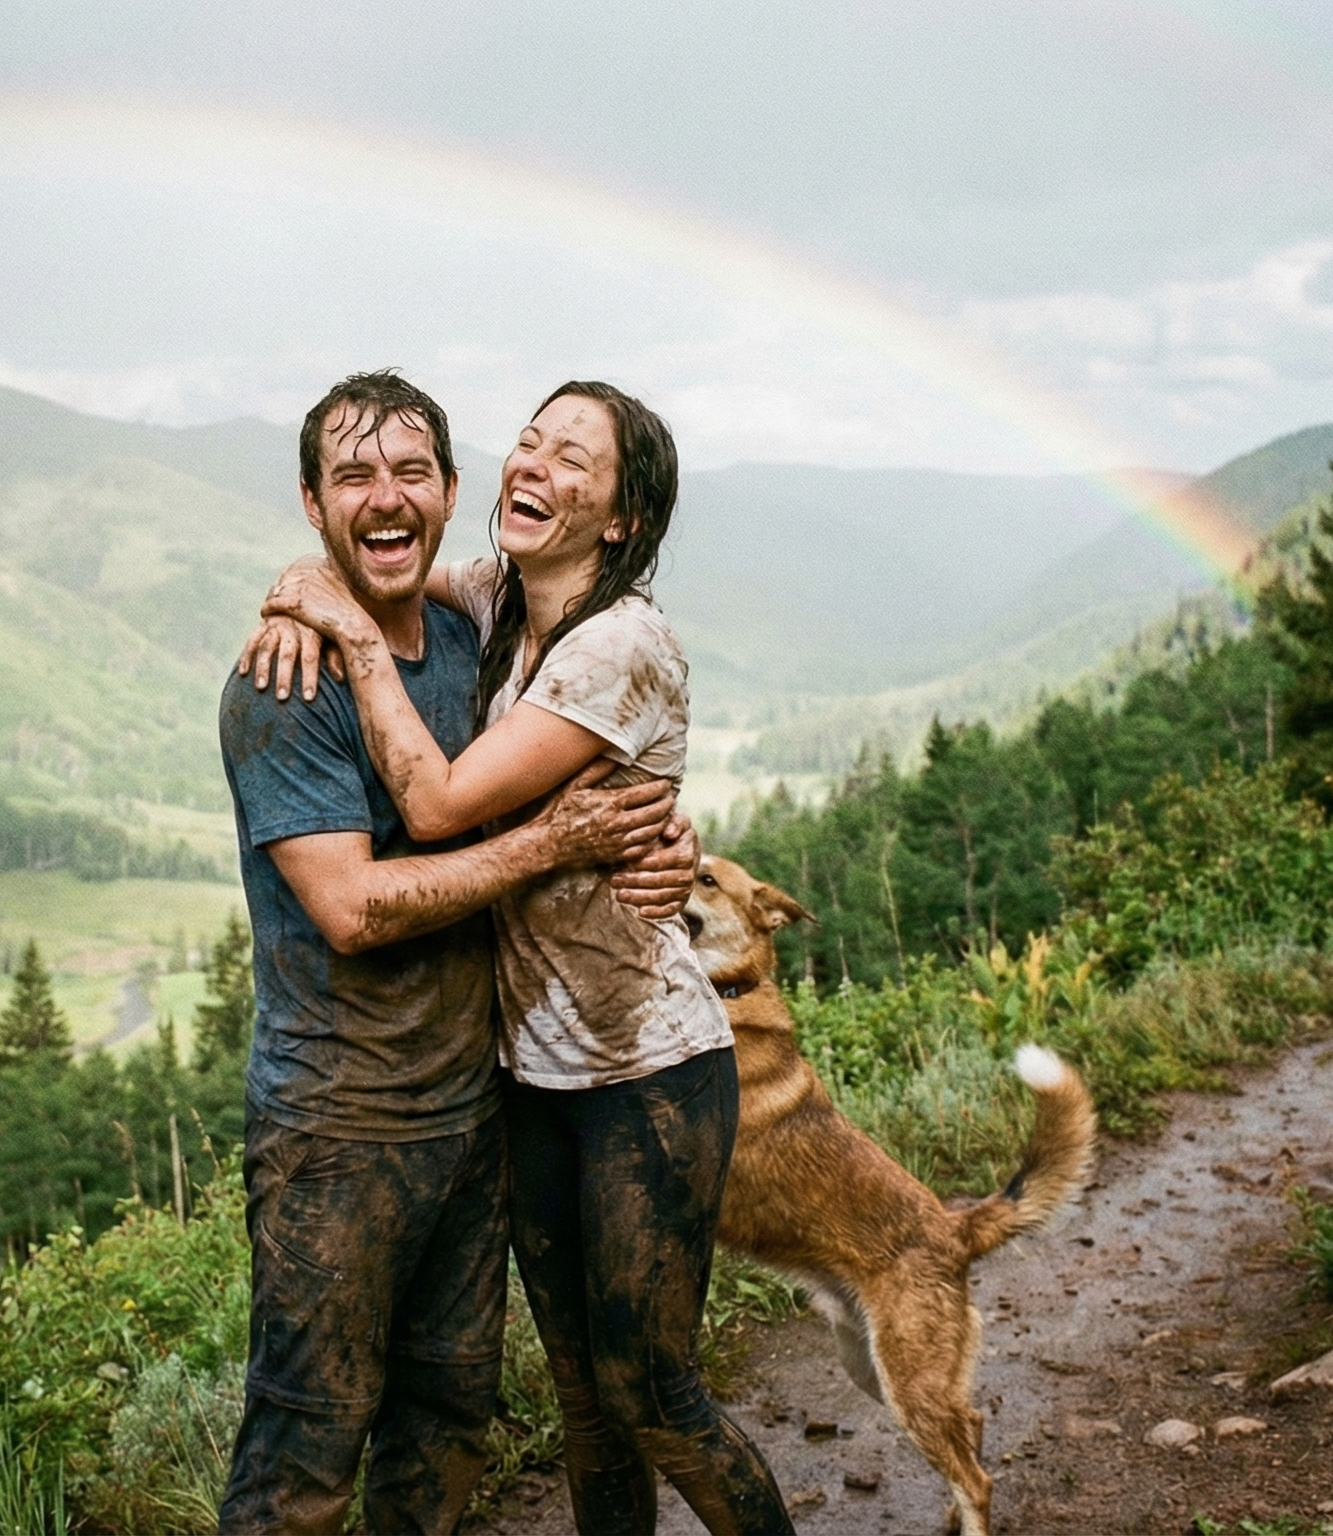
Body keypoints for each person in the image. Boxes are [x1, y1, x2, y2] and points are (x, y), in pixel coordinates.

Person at [252, 383, 793, 1536]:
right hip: (527, 1078)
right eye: (530, 442)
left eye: (573, 461)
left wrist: (339, 624)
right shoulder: (496, 601)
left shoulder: (622, 643)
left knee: (652, 1393)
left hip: (643, 1069)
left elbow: (442, 803)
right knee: (582, 1411)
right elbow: (386, 567)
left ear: (622, 521)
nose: (534, 466)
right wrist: (303, 600)